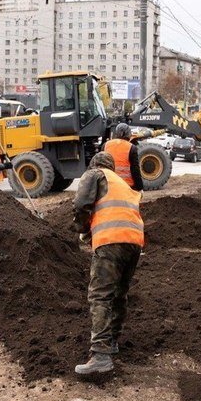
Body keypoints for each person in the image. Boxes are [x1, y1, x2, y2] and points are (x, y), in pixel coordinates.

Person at [72, 151, 144, 375]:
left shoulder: (95, 174)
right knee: (119, 294)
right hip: (134, 242)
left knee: (100, 295)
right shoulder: (120, 182)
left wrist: (83, 229)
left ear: (94, 164)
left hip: (111, 241)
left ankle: (101, 355)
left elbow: (81, 204)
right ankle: (112, 342)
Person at [102, 123, 144, 191]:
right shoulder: (131, 147)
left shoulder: (106, 145)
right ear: (128, 134)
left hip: (109, 184)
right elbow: (135, 170)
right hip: (126, 186)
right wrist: (140, 188)